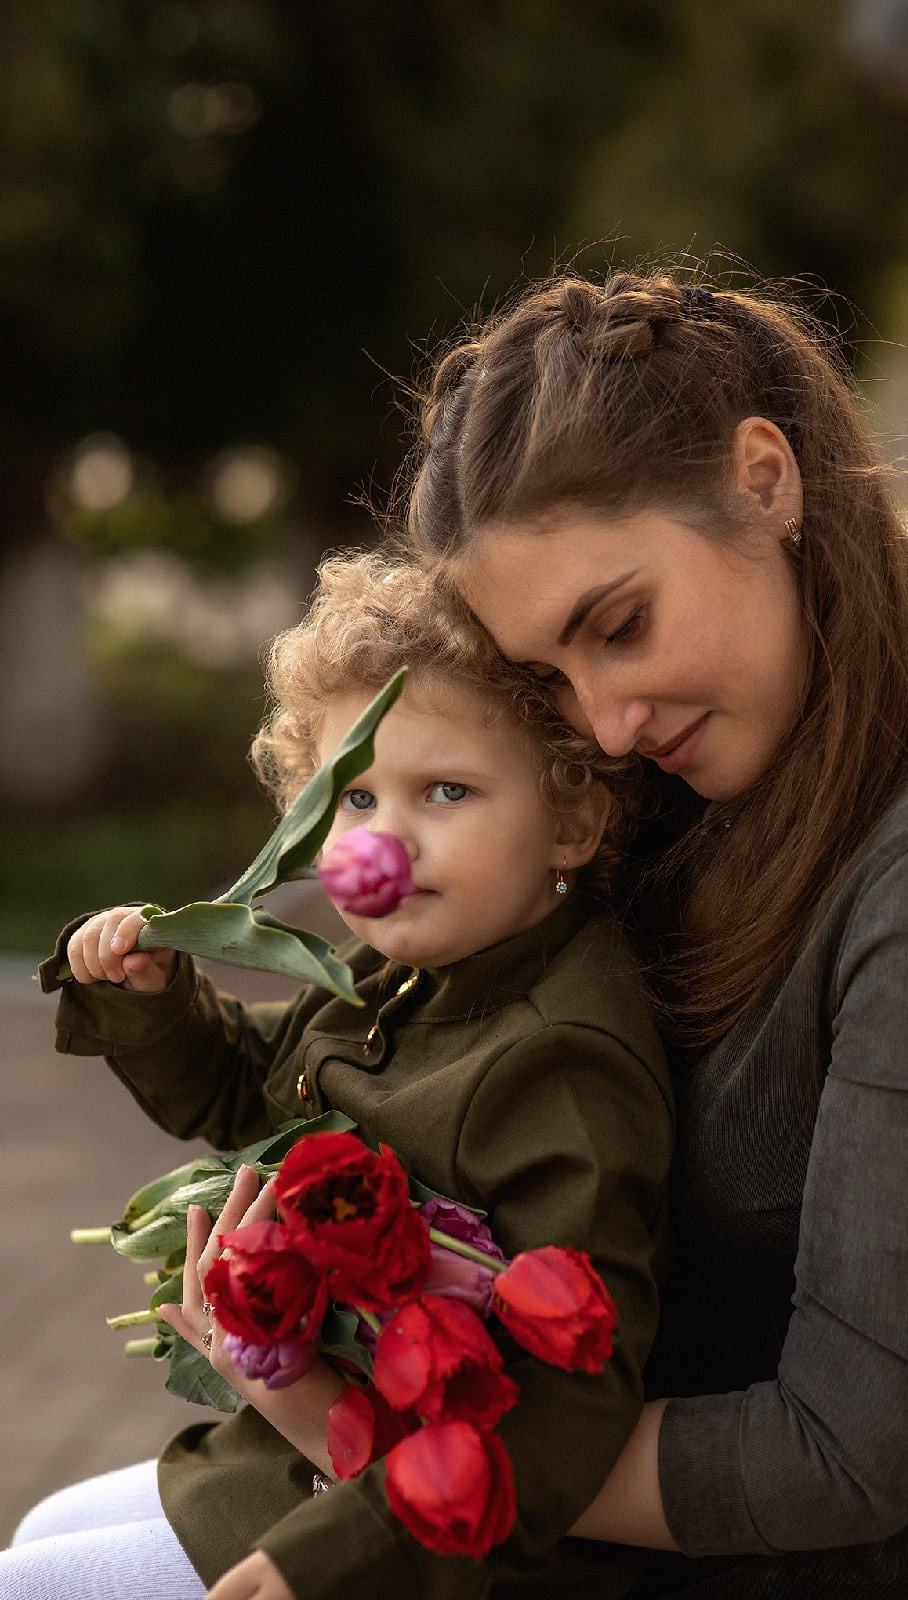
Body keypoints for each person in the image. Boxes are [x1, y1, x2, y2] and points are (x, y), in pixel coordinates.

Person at [401, 268, 908, 1597]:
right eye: (548, 674)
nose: (600, 721)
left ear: (763, 479)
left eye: (620, 626)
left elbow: (841, 1455)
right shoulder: (675, 803)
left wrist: (405, 1463)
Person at [18, 553, 675, 1600]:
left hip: (397, 1527)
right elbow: (244, 1092)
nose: (387, 839)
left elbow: (572, 1400)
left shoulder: (561, 1063)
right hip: (296, 1453)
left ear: (571, 818)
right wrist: (151, 999)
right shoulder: (408, 968)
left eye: (446, 790)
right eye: (354, 796)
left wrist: (328, 1562)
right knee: (48, 1521)